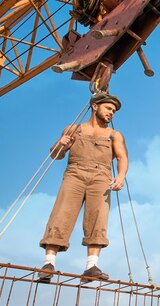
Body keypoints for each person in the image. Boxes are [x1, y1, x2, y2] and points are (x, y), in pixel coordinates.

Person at [37, 92, 128, 283]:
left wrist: (120, 176)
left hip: (101, 177)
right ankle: (48, 264)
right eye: (108, 108)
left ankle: (91, 267)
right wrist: (59, 144)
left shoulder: (114, 135)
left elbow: (122, 157)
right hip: (74, 174)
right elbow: (56, 155)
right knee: (62, 213)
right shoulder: (73, 129)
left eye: (114, 111)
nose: (112, 113)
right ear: (95, 106)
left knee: (98, 217)